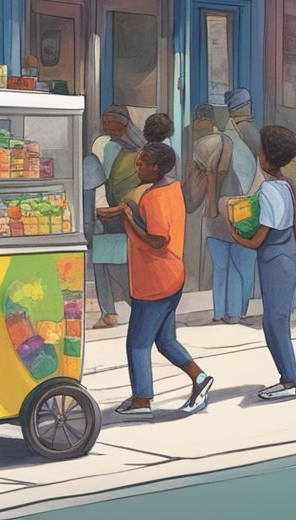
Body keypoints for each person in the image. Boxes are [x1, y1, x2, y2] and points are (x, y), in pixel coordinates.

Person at [97, 143, 213, 416]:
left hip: (155, 281)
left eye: (141, 164)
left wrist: (128, 219)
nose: (137, 168)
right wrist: (125, 211)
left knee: (137, 343)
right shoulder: (171, 189)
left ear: (156, 168)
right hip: (172, 275)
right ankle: (200, 378)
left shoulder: (153, 198)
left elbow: (158, 240)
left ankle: (142, 400)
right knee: (166, 341)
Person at [229, 126, 296, 401]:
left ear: (266, 157)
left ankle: (289, 380)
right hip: (287, 255)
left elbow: (261, 236)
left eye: (261, 150)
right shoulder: (286, 184)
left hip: (275, 258)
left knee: (275, 320)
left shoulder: (270, 190)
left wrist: (236, 234)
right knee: (276, 319)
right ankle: (288, 377)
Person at [186, 105, 256, 324]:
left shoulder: (203, 146)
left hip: (215, 216)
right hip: (237, 213)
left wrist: (210, 207)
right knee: (234, 266)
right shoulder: (232, 146)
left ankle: (219, 313)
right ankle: (234, 313)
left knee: (221, 266)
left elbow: (199, 179)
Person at [91, 106, 146, 327]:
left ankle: (134, 302)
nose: (108, 127)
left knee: (124, 261)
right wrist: (100, 207)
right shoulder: (102, 145)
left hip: (129, 212)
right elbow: (97, 179)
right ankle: (108, 310)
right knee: (101, 260)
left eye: (113, 123)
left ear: (125, 125)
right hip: (104, 209)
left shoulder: (138, 149)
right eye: (105, 122)